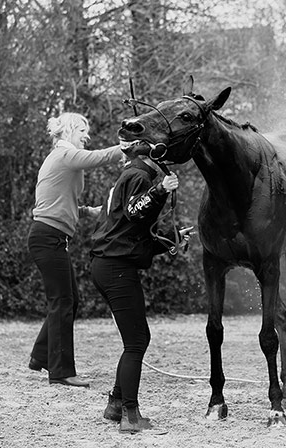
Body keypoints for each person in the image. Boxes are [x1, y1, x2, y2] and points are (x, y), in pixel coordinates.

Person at [89, 137, 194, 433]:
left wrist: (173, 238)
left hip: (107, 265)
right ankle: (130, 416)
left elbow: (133, 231)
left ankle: (115, 404)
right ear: (153, 155)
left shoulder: (130, 175)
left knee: (136, 339)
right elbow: (137, 210)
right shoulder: (138, 176)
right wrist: (161, 189)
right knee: (136, 342)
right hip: (115, 268)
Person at [27, 112, 123, 388]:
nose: (87, 135)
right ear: (68, 130)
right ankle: (60, 372)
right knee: (62, 302)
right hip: (48, 238)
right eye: (82, 130)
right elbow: (99, 158)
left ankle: (40, 356)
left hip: (50, 237)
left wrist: (84, 211)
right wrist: (129, 147)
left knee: (69, 299)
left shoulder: (60, 159)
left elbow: (53, 200)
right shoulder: (64, 154)